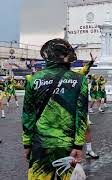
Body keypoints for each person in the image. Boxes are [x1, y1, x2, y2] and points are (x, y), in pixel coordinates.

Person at [22, 38, 88, 179]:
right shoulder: (80, 80)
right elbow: (81, 116)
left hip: (41, 145)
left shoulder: (33, 79)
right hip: (68, 146)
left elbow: (28, 115)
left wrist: (27, 144)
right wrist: (78, 146)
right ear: (69, 57)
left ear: (46, 57)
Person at [73, 54, 99, 159]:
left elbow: (85, 70)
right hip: (69, 110)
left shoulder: (78, 75)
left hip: (81, 109)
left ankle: (89, 150)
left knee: (87, 129)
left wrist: (91, 61)